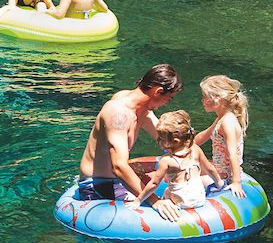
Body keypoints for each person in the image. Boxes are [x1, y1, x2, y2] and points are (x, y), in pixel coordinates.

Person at [77, 64, 183, 202]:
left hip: (115, 182)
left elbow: (167, 139)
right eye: (169, 98)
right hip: (97, 185)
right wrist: (154, 201)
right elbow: (119, 166)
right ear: (158, 91)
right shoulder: (118, 113)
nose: (166, 104)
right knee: (161, 212)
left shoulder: (142, 109)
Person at [132, 110, 223, 222]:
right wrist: (219, 183)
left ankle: (168, 210)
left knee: (166, 191)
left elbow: (154, 184)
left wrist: (139, 200)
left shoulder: (167, 160)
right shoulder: (195, 149)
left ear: (175, 141)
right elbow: (210, 168)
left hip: (181, 202)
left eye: (161, 138)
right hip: (199, 199)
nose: (158, 140)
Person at [195, 75, 249, 198]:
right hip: (218, 169)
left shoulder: (227, 123)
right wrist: (186, 145)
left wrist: (236, 182)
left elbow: (233, 154)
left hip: (224, 177)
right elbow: (203, 136)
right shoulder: (221, 119)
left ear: (217, 100)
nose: (202, 101)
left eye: (204, 97)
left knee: (186, 183)